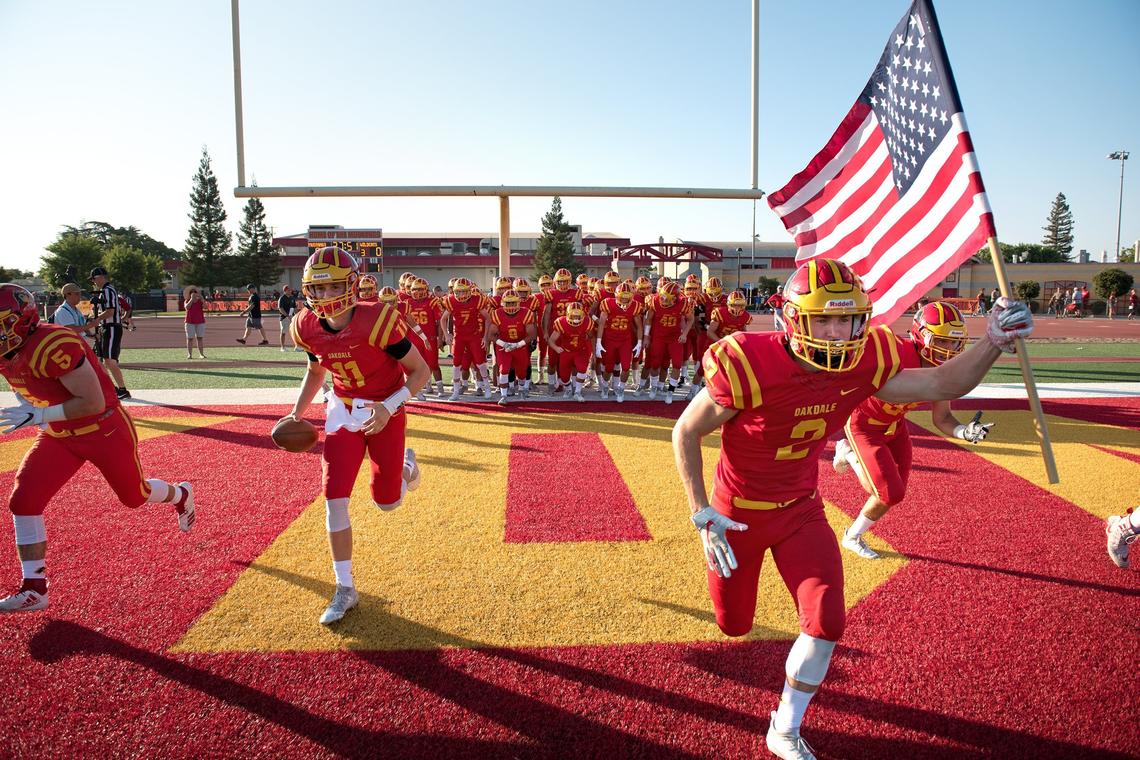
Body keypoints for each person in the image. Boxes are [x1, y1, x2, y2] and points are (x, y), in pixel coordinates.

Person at [671, 258, 1033, 760]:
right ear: (795, 319)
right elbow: (686, 430)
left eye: (847, 319)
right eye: (824, 320)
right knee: (735, 625)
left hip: (801, 509)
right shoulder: (748, 361)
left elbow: (941, 386)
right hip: (738, 515)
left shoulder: (870, 358)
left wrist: (993, 339)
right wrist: (701, 511)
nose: (838, 332)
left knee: (826, 621)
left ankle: (786, 726)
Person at [0, 284, 194, 613]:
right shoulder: (8, 351)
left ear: (21, 319)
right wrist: (38, 414)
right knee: (24, 500)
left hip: (102, 428)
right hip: (60, 434)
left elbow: (92, 401)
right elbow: (26, 385)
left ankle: (181, 495)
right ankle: (35, 587)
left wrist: (40, 414)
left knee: (135, 496)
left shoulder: (53, 343)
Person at [285, 247, 429, 625]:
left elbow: (421, 371)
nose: (326, 297)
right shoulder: (305, 326)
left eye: (334, 288)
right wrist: (297, 412)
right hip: (342, 410)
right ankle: (345, 587)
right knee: (334, 500)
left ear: (351, 286)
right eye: (319, 289)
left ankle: (406, 466)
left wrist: (389, 407)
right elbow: (317, 372)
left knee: (387, 502)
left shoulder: (378, 320)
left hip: (385, 407)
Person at [833, 302, 992, 559]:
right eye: (943, 341)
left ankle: (852, 535)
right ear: (922, 334)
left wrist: (964, 431)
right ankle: (848, 452)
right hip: (864, 424)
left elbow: (943, 417)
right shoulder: (893, 352)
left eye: (954, 343)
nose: (950, 349)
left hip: (895, 426)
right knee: (888, 491)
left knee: (896, 494)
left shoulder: (941, 370)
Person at [643, 280, 693, 404]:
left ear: (675, 298)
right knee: (655, 363)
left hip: (674, 337)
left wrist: (684, 333)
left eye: (667, 298)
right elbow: (648, 319)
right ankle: (654, 387)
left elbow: (690, 319)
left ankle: (670, 391)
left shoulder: (683, 303)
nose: (663, 300)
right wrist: (646, 336)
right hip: (658, 336)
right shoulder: (654, 301)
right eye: (663, 296)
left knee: (676, 364)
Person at [595, 281, 644, 402]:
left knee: (626, 367)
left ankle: (621, 388)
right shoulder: (608, 303)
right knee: (608, 368)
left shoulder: (635, 306)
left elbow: (639, 326)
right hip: (610, 339)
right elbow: (601, 323)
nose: (625, 301)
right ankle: (605, 387)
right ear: (617, 296)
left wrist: (639, 342)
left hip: (625, 340)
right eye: (623, 298)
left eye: (627, 299)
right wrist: (599, 342)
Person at [87, 267, 130, 399]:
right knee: (106, 361)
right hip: (108, 327)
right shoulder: (106, 291)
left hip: (111, 327)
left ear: (100, 277)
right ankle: (115, 388)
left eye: (94, 279)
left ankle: (122, 389)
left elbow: (110, 311)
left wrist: (97, 319)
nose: (93, 282)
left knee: (110, 360)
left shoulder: (107, 291)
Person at [488, 290, 537, 405]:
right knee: (503, 370)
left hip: (520, 345)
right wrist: (503, 344)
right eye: (508, 303)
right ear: (503, 303)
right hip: (504, 346)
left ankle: (521, 390)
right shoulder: (497, 313)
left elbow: (532, 334)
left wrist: (518, 344)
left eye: (513, 303)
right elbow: (491, 334)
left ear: (519, 302)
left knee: (521, 372)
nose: (511, 306)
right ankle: (504, 395)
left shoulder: (526, 313)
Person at [548, 301, 593, 402]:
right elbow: (551, 340)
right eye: (573, 316)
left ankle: (577, 392)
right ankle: (568, 389)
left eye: (578, 316)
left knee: (582, 369)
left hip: (581, 351)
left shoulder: (587, 321)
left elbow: (591, 335)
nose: (576, 319)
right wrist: (556, 348)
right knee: (563, 378)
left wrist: (590, 340)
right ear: (568, 314)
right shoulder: (561, 322)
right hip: (566, 351)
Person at [184, 287, 207, 359]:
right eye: (192, 292)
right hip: (190, 322)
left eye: (195, 292)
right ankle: (189, 354)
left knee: (200, 338)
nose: (194, 294)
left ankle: (201, 354)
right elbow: (187, 307)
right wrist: (191, 299)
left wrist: (202, 299)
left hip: (200, 321)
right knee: (190, 338)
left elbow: (206, 307)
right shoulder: (187, 300)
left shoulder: (200, 301)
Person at [277, 286, 297, 351]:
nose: (290, 291)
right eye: (288, 290)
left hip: (292, 318)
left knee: (295, 332)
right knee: (283, 332)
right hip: (284, 318)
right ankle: (282, 347)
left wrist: (296, 315)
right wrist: (287, 315)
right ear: (285, 291)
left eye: (290, 290)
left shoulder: (292, 297)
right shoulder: (282, 298)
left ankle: (297, 346)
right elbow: (280, 308)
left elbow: (294, 307)